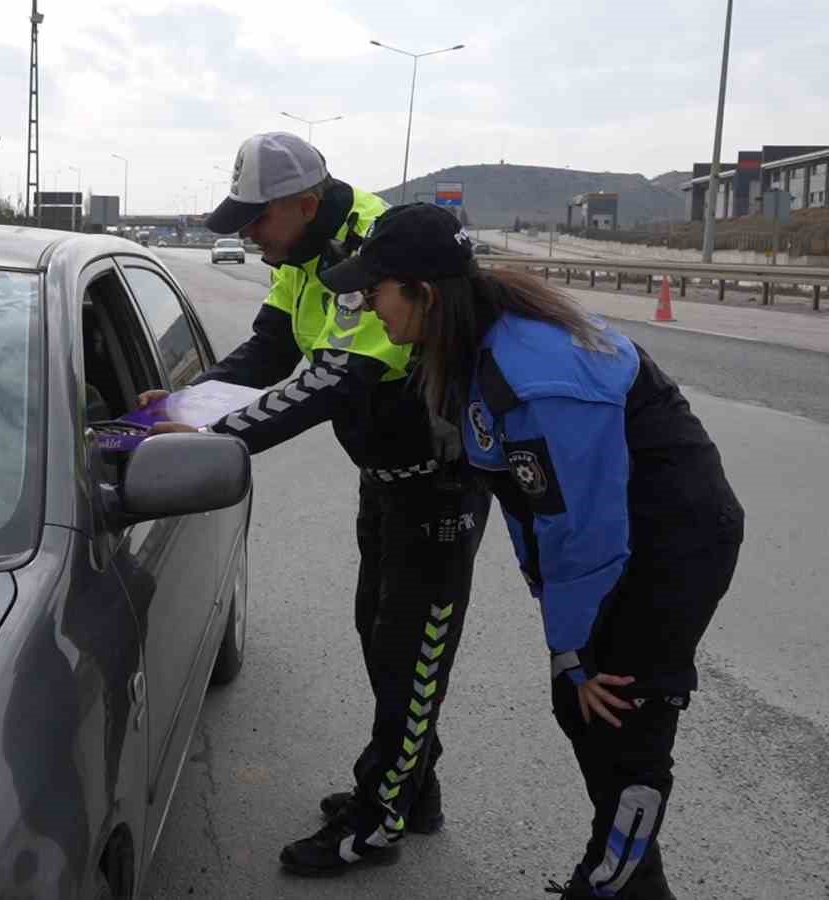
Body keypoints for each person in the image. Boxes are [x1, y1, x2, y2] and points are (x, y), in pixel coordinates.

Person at [318, 202, 745, 899]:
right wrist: (558, 621)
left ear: (424, 293)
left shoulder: (530, 372)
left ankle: (617, 884)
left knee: (620, 715)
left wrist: (573, 645)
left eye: (377, 292)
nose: (370, 307)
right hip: (618, 535)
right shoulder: (474, 342)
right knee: (578, 701)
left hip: (671, 544)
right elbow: (528, 502)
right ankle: (627, 878)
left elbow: (579, 528)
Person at [142, 132, 493, 875]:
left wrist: (208, 439)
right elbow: (267, 352)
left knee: (410, 656)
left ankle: (380, 817)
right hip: (387, 477)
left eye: (255, 219)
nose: (245, 234)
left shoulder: (373, 250)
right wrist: (178, 407)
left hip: (438, 483)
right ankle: (412, 788)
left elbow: (332, 381)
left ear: (305, 203)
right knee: (377, 632)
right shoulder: (299, 254)